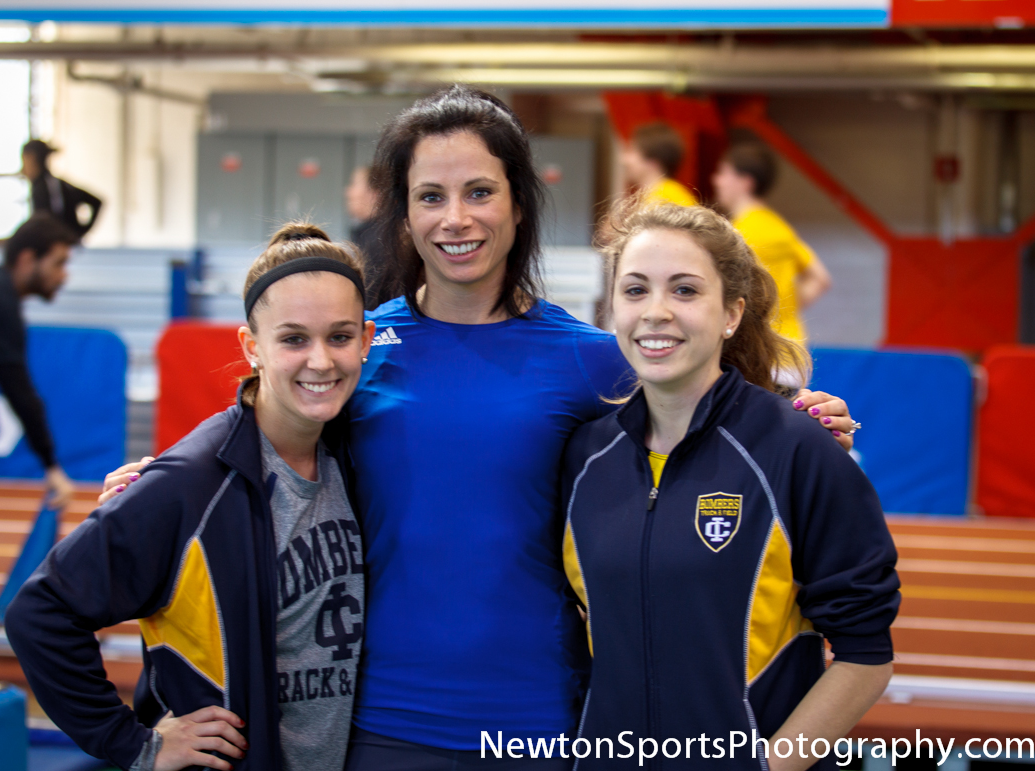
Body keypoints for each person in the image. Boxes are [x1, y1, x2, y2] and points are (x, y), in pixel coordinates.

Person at [99, 86, 856, 770]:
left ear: (518, 204)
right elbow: (262, 429)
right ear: (404, 211)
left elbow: (708, 409)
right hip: (378, 724)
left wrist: (802, 423)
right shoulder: (357, 346)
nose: (455, 218)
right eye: (430, 195)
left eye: (479, 192)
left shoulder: (590, 360)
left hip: (542, 724)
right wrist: (162, 483)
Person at [5, 224, 376, 771]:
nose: (320, 361)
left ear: (366, 340)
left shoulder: (354, 456)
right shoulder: (191, 482)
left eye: (339, 337)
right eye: (294, 339)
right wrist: (135, 744)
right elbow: (40, 613)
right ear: (253, 347)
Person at [562, 201, 897, 769]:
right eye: (636, 290)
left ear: (731, 314)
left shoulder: (798, 450)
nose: (656, 312)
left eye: (686, 291)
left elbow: (866, 657)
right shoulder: (584, 457)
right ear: (611, 307)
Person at [0, 214, 77, 536]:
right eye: (59, 263)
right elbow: (19, 391)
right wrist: (51, 467)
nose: (64, 276)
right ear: (27, 259)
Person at [712, 142, 832, 344]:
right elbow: (821, 279)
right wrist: (783, 310)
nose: (716, 180)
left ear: (745, 182)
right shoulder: (780, 228)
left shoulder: (736, 234)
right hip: (792, 348)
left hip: (761, 350)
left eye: (723, 173)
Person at [21, 139, 103, 241]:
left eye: (24, 160)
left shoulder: (50, 187)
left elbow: (95, 202)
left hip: (58, 248)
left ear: (31, 158)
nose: (23, 169)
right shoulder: (43, 185)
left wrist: (78, 233)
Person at [621, 122, 698, 208]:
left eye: (631, 151)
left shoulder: (670, 198)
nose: (624, 159)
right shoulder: (657, 195)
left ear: (653, 162)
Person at [344, 165, 387, 310]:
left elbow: (369, 299)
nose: (348, 192)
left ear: (375, 194)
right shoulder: (367, 236)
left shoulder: (380, 242)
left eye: (354, 185)